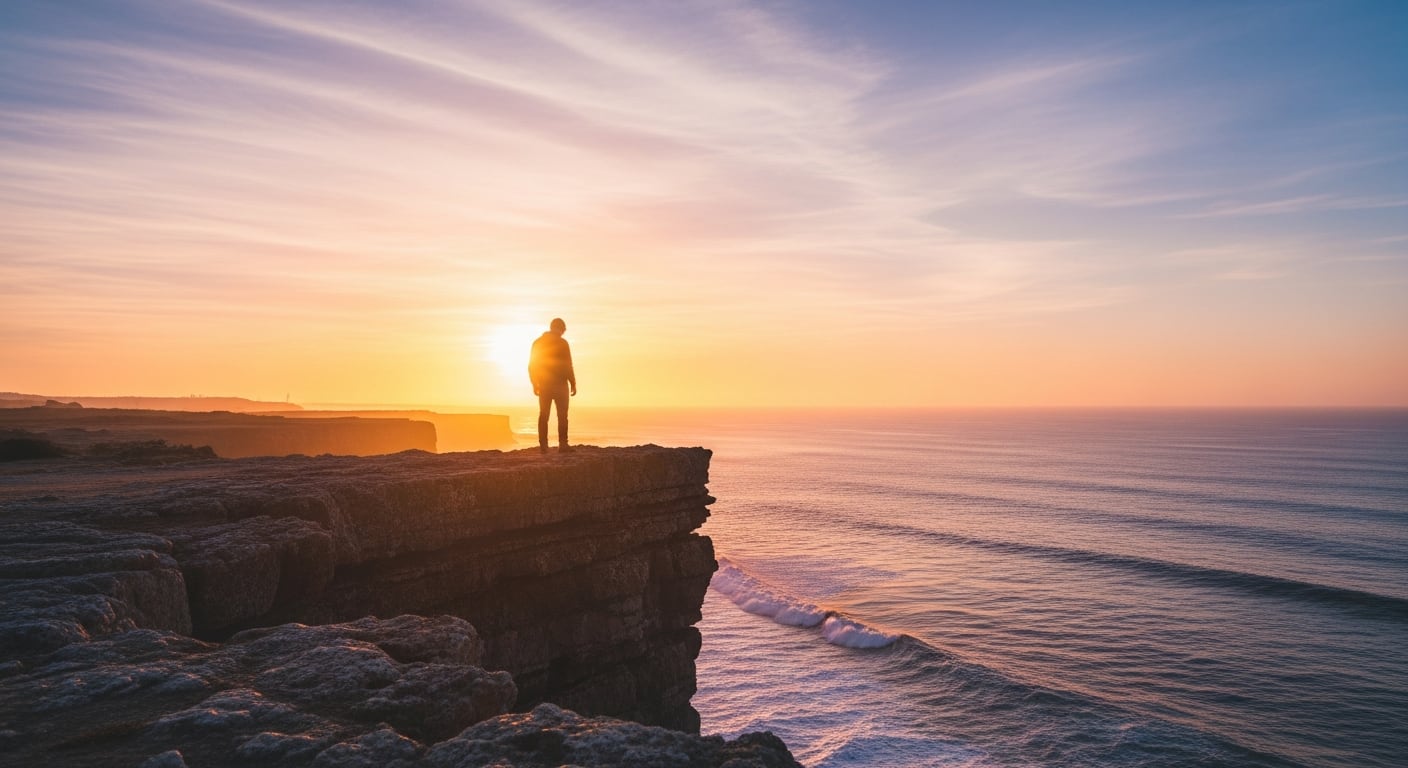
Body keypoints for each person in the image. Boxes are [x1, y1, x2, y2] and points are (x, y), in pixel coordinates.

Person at [528, 317, 576, 453]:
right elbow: (568, 365)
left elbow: (532, 365)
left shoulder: (537, 343)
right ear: (561, 329)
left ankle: (543, 446)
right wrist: (573, 383)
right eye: (563, 330)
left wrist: (534, 383)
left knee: (544, 415)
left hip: (544, 385)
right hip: (560, 385)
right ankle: (563, 445)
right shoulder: (562, 343)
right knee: (562, 415)